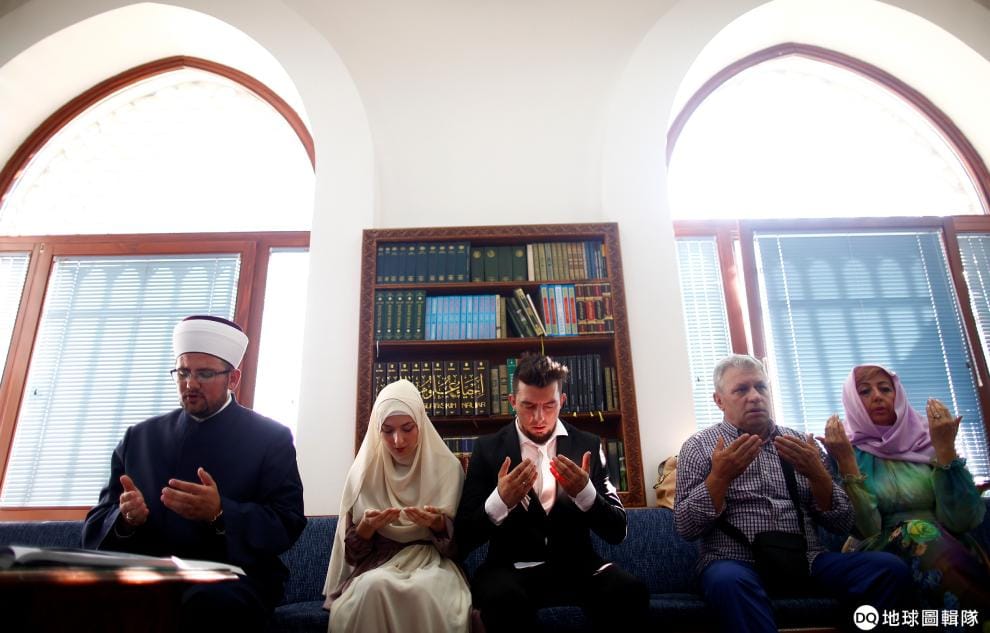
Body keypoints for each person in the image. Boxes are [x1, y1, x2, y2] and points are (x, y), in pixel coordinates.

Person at [82, 315, 306, 633]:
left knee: (205, 604)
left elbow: (287, 522)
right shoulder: (139, 438)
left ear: (233, 378)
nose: (190, 384)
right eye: (183, 372)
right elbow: (97, 520)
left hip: (231, 578)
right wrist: (125, 520)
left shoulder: (271, 439)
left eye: (204, 374)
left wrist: (221, 513)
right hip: (150, 573)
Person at [674, 354, 911, 633]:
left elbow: (842, 523)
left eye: (761, 387)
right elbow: (686, 527)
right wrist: (719, 478)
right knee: (727, 581)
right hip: (734, 561)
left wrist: (818, 476)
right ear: (719, 400)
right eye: (741, 390)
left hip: (807, 560)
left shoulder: (800, 443)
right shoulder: (699, 447)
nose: (755, 397)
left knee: (889, 569)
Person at [454, 354, 648, 633]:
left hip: (578, 569)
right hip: (508, 571)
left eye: (549, 406)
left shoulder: (589, 445)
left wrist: (585, 494)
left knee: (630, 591)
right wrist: (500, 501)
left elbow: (617, 531)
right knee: (502, 601)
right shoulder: (487, 449)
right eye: (528, 406)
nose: (539, 417)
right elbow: (463, 537)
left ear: (562, 401)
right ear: (512, 402)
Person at [819, 364, 990, 611]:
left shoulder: (929, 440)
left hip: (946, 546)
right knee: (917, 531)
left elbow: (963, 521)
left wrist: (945, 449)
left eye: (885, 389)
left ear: (897, 395)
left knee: (937, 541)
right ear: (852, 401)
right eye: (865, 392)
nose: (877, 396)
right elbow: (868, 530)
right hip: (882, 550)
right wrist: (846, 462)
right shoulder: (843, 449)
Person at [322, 379, 471, 633]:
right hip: (379, 564)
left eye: (407, 428)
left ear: (421, 423)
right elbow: (351, 556)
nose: (398, 440)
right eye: (387, 430)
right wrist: (366, 529)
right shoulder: (364, 473)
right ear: (377, 430)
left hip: (433, 564)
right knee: (374, 587)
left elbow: (462, 547)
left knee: (424, 591)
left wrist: (438, 525)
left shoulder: (447, 468)